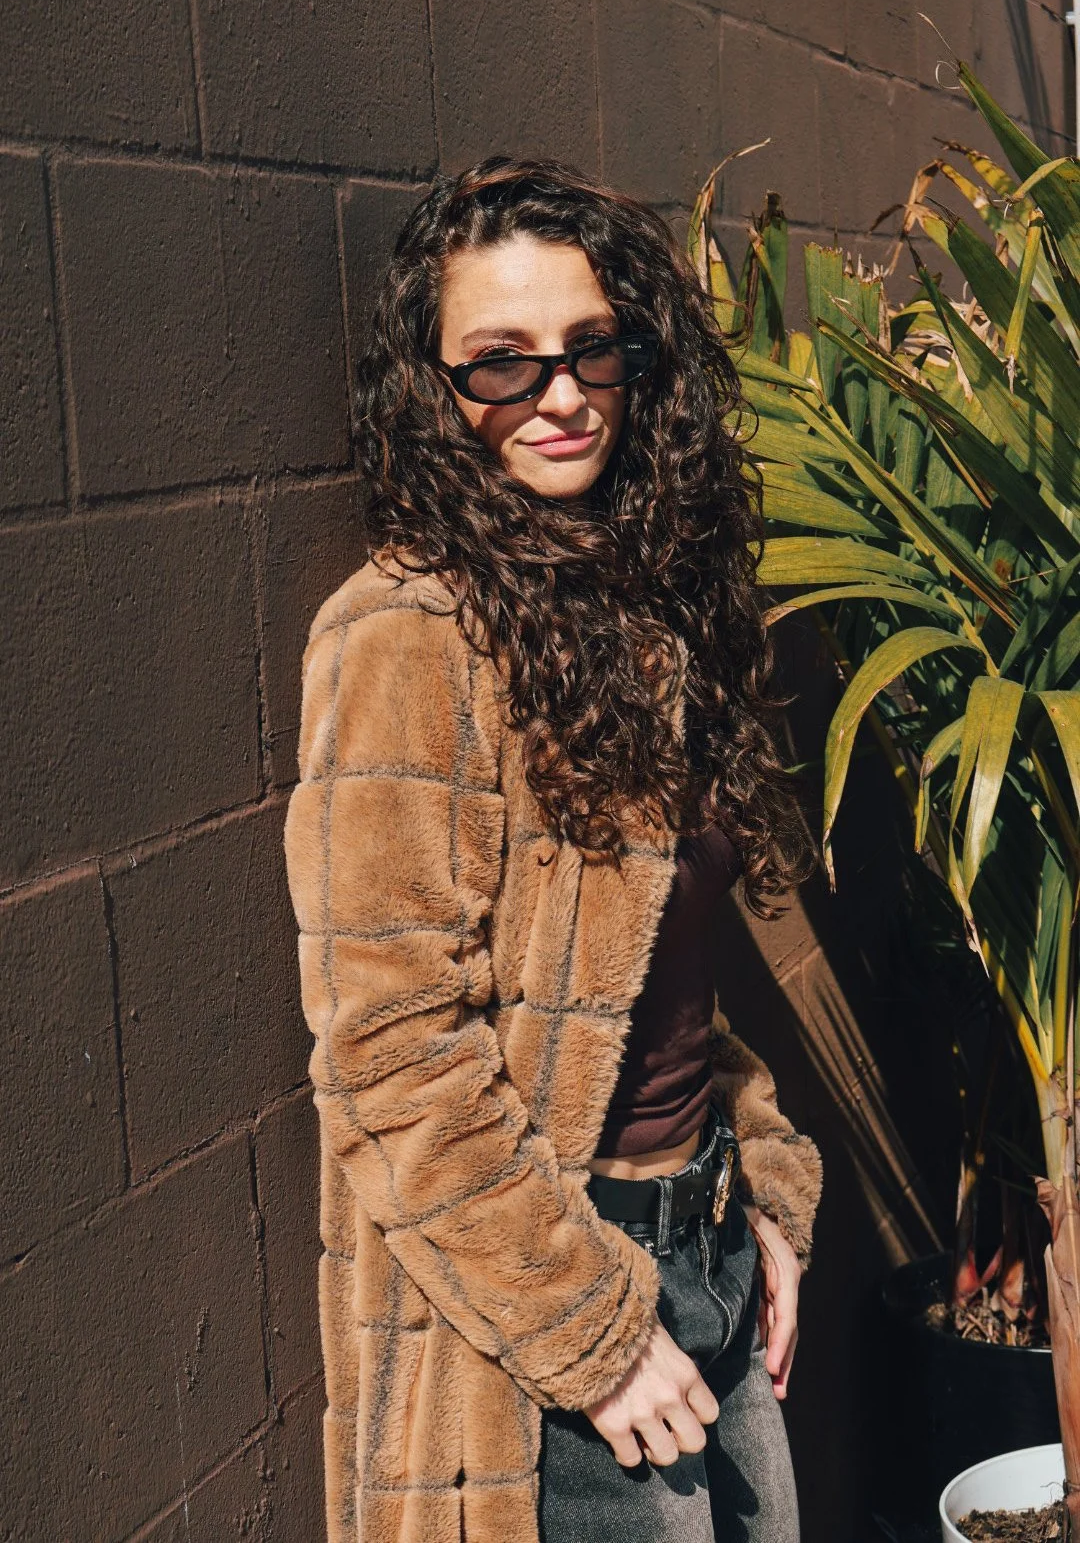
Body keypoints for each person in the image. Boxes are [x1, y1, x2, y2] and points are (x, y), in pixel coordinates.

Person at [282, 155, 823, 1543]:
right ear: (432, 391)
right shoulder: (405, 634)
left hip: (706, 1244)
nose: (562, 394)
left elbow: (656, 984)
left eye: (592, 347)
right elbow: (390, 1049)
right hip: (550, 1304)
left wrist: (762, 1187)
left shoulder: (640, 609)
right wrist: (592, 1330)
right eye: (503, 364)